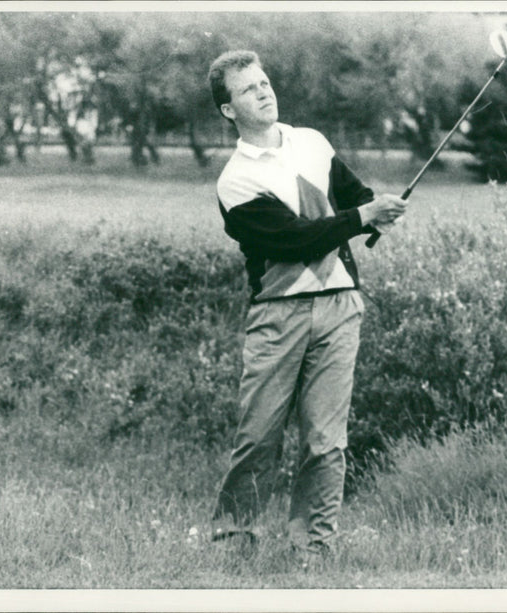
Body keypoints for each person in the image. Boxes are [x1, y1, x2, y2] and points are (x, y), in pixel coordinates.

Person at [207, 50, 408, 556]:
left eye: (265, 82)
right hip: (279, 314)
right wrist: (363, 216)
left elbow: (353, 196)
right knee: (258, 436)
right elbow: (294, 241)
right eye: (249, 89)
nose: (264, 92)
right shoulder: (234, 181)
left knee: (325, 441)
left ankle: (313, 550)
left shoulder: (314, 143)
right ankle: (233, 543)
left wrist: (378, 210)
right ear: (229, 110)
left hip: (341, 306)